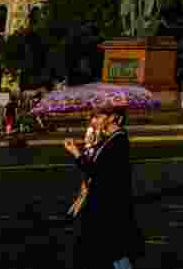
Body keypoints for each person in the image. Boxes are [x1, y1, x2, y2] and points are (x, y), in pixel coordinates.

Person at [64, 109, 144, 269]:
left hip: (109, 206)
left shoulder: (118, 141)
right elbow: (96, 166)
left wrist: (76, 154)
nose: (94, 120)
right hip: (103, 204)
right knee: (109, 251)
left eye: (98, 116)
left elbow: (97, 171)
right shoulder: (109, 140)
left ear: (114, 118)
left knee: (113, 251)